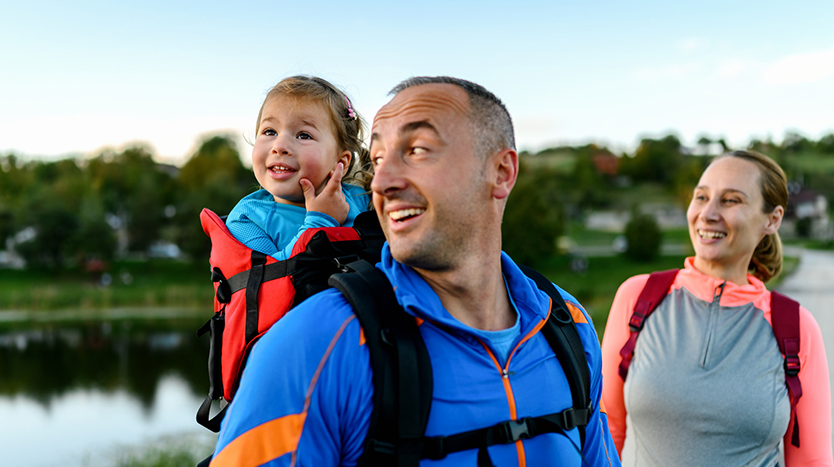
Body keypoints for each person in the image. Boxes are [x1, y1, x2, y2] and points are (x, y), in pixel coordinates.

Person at [209, 76, 620, 466]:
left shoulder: (567, 323)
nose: (382, 181)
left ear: (501, 172)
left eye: (417, 150)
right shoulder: (307, 345)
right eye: (380, 157)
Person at [601, 150, 833, 466]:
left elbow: (812, 461)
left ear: (772, 219)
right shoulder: (638, 297)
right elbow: (605, 433)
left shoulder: (796, 327)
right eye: (701, 197)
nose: (707, 213)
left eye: (730, 200)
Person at [225, 75, 372, 260]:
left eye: (303, 135)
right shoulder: (247, 219)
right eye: (270, 131)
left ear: (340, 162)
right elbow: (273, 280)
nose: (279, 146)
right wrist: (320, 222)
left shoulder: (361, 200)